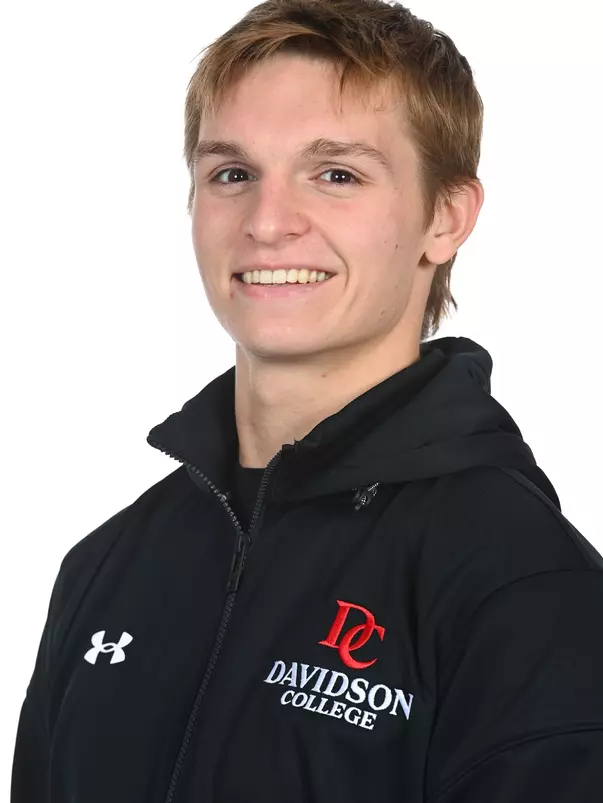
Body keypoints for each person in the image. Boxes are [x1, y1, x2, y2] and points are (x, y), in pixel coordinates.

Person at [11, 1, 603, 801]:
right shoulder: (104, 567)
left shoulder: (524, 587)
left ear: (445, 216)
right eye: (232, 173)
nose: (266, 221)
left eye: (336, 175)